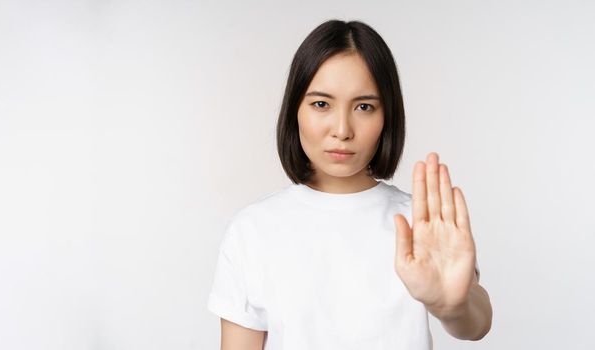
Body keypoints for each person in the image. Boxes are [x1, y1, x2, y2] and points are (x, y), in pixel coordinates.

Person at [206, 19, 493, 350]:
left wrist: (451, 306)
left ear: (387, 117)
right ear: (295, 110)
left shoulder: (419, 223)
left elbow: (476, 324)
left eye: (364, 107)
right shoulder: (253, 230)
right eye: (321, 104)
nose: (342, 129)